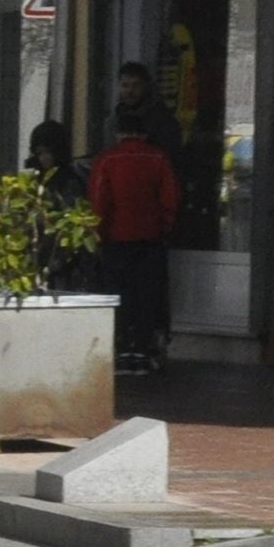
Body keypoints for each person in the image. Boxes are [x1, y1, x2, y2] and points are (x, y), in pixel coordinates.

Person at [88, 105, 184, 376]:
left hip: (116, 240)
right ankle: (143, 349)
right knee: (147, 295)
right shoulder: (158, 159)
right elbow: (170, 199)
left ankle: (121, 349)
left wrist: (97, 232)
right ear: (144, 133)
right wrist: (164, 228)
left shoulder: (107, 160)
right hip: (150, 239)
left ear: (118, 133)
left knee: (119, 294)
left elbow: (99, 201)